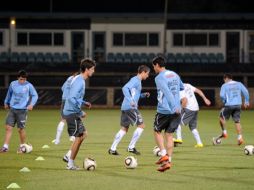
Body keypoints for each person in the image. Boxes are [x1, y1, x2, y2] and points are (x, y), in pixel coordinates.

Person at [108, 65, 150, 155]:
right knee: (141, 125)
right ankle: (131, 147)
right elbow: (125, 88)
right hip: (131, 107)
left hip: (125, 107)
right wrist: (131, 100)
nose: (148, 76)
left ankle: (112, 149)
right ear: (143, 72)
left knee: (124, 128)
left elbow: (134, 94)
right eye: (147, 73)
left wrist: (143, 95)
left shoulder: (137, 80)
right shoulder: (135, 80)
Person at [152, 56, 184, 172]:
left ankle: (164, 154)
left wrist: (173, 105)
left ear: (156, 65)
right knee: (169, 135)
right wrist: (177, 106)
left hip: (164, 110)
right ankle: (168, 162)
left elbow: (167, 92)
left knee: (157, 131)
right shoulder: (174, 74)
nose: (154, 69)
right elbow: (181, 87)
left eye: (153, 66)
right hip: (177, 111)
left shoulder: (159, 77)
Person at [63, 58, 96, 170]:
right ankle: (70, 163)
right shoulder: (79, 81)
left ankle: (69, 157)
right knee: (80, 136)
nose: (93, 71)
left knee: (83, 135)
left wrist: (83, 102)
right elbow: (71, 98)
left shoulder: (78, 78)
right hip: (72, 112)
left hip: (71, 111)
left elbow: (73, 95)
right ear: (86, 69)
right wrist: (80, 112)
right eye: (92, 69)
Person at [0, 70, 38, 153]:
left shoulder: (29, 85)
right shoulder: (13, 84)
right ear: (18, 78)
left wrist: (32, 104)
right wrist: (6, 102)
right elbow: (9, 94)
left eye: (24, 79)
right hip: (12, 109)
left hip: (22, 111)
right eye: (21, 79)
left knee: (20, 129)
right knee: (8, 128)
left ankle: (22, 146)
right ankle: (5, 147)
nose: (22, 81)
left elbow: (35, 95)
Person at [213, 73, 249, 146]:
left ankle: (224, 132)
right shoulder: (239, 84)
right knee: (237, 121)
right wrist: (246, 101)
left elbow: (222, 95)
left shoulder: (225, 85)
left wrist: (224, 100)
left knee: (221, 117)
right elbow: (245, 91)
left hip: (229, 105)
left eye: (224, 80)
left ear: (226, 78)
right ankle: (240, 138)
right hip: (238, 105)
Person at [174, 83, 211, 148]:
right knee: (193, 127)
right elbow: (198, 91)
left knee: (177, 122)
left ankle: (179, 138)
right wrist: (205, 99)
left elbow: (184, 102)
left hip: (189, 108)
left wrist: (180, 110)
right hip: (196, 108)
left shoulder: (178, 89)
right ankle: (199, 143)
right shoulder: (187, 85)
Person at [52, 72, 81, 145]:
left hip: (64, 100)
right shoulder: (78, 81)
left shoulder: (69, 78)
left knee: (63, 119)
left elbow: (62, 88)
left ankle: (57, 139)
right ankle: (72, 136)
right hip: (71, 100)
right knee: (75, 117)